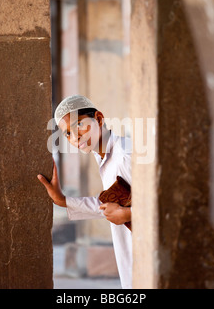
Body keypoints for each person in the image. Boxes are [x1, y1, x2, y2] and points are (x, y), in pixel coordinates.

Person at [37, 95, 133, 289]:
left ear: (98, 119)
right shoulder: (105, 156)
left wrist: (127, 214)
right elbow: (114, 205)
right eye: (67, 134)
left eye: (79, 124)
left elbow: (163, 202)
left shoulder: (126, 154)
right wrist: (63, 201)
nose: (75, 137)